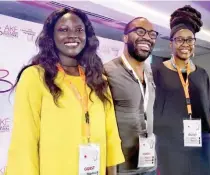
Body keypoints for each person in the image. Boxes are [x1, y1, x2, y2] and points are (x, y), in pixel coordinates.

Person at [5, 7, 124, 175]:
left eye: (79, 30)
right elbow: (24, 140)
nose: (72, 35)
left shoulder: (98, 80)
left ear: (87, 36)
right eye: (63, 29)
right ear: (51, 37)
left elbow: (111, 135)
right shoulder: (35, 77)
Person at [152, 5, 210, 175]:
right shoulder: (156, 71)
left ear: (194, 43)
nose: (185, 44)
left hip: (202, 143)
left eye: (190, 40)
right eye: (179, 39)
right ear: (171, 43)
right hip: (170, 146)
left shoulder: (202, 74)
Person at [104, 17, 158, 175]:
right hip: (122, 168)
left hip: (149, 165)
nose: (147, 37)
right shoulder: (107, 71)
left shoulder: (150, 72)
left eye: (152, 34)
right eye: (140, 31)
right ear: (125, 37)